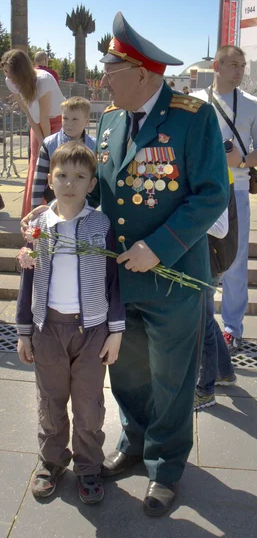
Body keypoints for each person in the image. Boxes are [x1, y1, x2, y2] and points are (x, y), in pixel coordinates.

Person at [22, 12, 229, 516]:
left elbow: (211, 194)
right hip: (118, 280)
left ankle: (165, 465)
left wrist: (158, 245)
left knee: (172, 377)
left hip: (172, 280)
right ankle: (134, 441)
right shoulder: (112, 119)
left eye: (110, 69)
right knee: (128, 373)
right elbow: (101, 195)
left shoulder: (193, 116)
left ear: (142, 73)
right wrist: (52, 220)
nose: (102, 78)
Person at [16, 141, 125, 504]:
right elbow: (27, 279)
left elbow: (114, 280)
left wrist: (115, 331)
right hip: (48, 331)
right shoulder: (39, 225)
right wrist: (24, 332)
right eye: (62, 175)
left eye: (80, 177)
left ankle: (89, 466)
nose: (69, 184)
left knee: (89, 404)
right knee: (50, 400)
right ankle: (51, 461)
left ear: (92, 183)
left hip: (92, 331)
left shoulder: (101, 224)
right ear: (51, 179)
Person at [191, 45, 257, 353]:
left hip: (236, 190)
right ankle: (199, 323)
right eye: (233, 65)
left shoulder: (253, 105)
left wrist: (242, 162)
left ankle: (231, 327)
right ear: (216, 65)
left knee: (235, 261)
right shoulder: (194, 103)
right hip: (197, 190)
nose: (239, 71)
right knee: (197, 257)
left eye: (242, 65)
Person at [1, 49, 65, 218]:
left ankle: (56, 213)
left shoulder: (43, 80)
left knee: (56, 163)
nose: (7, 76)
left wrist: (48, 145)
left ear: (21, 70)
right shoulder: (11, 81)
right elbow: (28, 113)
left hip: (56, 121)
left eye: (10, 71)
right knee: (36, 163)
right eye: (5, 71)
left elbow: (45, 116)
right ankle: (33, 215)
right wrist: (41, 142)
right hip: (36, 123)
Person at [194, 169, 238, 411]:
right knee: (206, 318)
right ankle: (225, 372)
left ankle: (205, 390)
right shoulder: (213, 165)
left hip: (211, 259)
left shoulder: (215, 169)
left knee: (203, 324)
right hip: (213, 257)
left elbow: (219, 228)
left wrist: (184, 211)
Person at [31, 96, 95, 208]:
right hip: (54, 202)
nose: (69, 123)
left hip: (86, 205)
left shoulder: (94, 146)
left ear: (87, 121)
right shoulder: (50, 144)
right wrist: (34, 208)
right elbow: (39, 180)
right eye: (65, 118)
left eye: (75, 119)